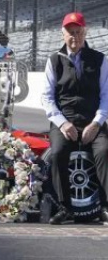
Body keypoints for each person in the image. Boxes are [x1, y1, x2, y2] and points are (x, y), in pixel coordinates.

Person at [41, 12, 108, 225]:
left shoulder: (100, 60)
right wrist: (62, 123)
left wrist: (97, 123)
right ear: (63, 34)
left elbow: (107, 95)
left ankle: (105, 208)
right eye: (70, 32)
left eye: (78, 32)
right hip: (64, 122)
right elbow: (47, 97)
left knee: (104, 151)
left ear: (85, 32)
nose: (74, 37)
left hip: (93, 122)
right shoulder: (54, 61)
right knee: (58, 152)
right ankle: (65, 208)